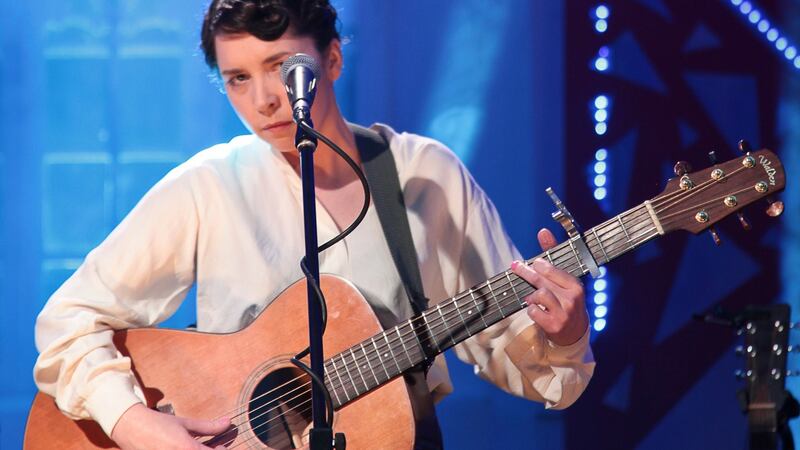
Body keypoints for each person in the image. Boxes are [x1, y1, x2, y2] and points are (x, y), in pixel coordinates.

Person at [33, 1, 595, 449]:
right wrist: (133, 421)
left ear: (332, 59)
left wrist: (562, 337)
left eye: (282, 68)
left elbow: (513, 353)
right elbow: (68, 320)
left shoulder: (423, 175)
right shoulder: (206, 186)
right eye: (236, 78)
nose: (263, 100)